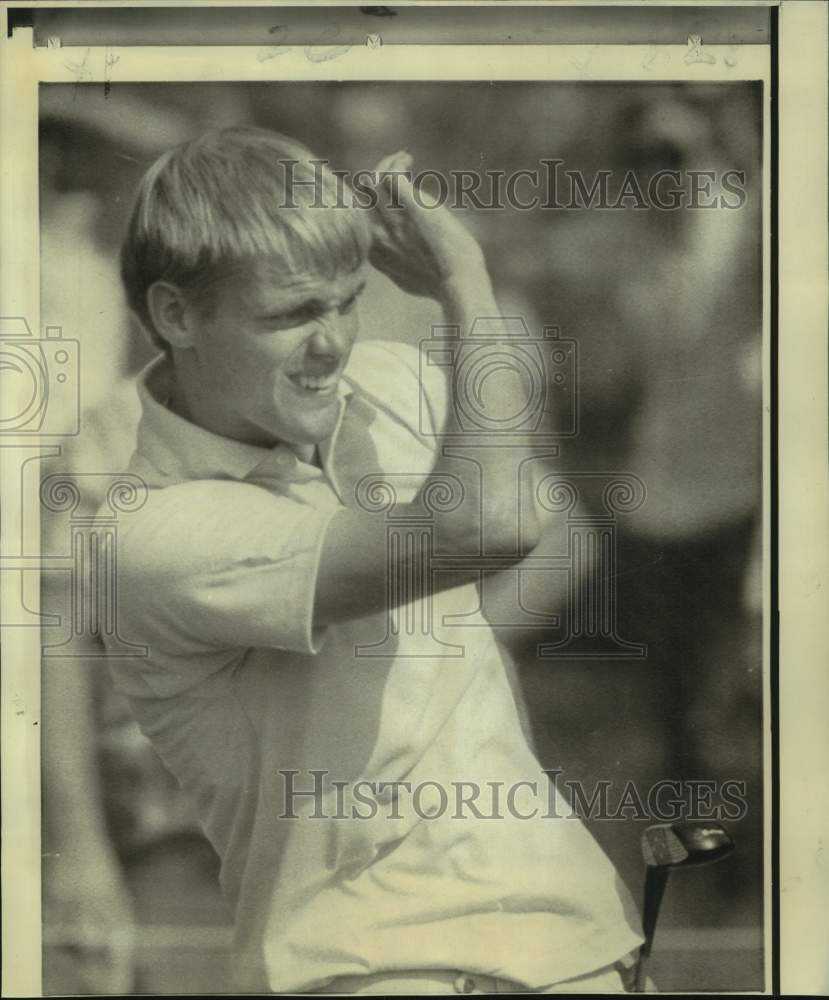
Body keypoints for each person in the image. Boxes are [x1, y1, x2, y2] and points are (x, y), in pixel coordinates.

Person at [103, 125, 644, 994]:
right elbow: (485, 524)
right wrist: (465, 283)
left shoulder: (392, 383)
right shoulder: (150, 534)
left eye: (346, 302)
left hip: (573, 942)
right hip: (380, 968)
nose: (333, 344)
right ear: (175, 315)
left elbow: (540, 520)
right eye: (291, 315)